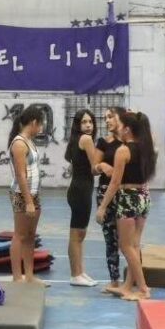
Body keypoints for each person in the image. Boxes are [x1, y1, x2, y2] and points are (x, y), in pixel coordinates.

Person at [96, 110, 157, 301]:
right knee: (134, 245)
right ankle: (128, 286)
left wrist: (102, 207)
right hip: (143, 196)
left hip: (128, 198)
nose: (118, 128)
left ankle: (143, 288)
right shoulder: (146, 147)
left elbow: (115, 182)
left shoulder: (123, 150)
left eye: (121, 125)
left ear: (128, 129)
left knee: (125, 245)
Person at [8, 106, 44, 284]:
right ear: (34, 122)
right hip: (22, 194)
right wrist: (28, 201)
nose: (41, 129)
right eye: (41, 125)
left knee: (30, 235)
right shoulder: (19, 144)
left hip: (34, 193)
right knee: (20, 235)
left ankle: (29, 275)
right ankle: (17, 277)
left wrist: (33, 197)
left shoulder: (30, 141)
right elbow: (21, 175)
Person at [92, 107, 126, 294]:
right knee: (110, 239)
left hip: (125, 193)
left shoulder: (129, 142)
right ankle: (114, 280)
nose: (107, 121)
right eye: (105, 118)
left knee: (128, 240)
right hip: (105, 192)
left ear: (121, 118)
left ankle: (135, 279)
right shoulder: (103, 142)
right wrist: (101, 166)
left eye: (111, 117)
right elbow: (93, 168)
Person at [64, 108, 98, 287]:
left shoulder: (77, 139)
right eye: (84, 122)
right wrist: (111, 165)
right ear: (78, 124)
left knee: (79, 234)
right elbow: (95, 168)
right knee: (77, 235)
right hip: (81, 191)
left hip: (78, 189)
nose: (88, 125)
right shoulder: (86, 139)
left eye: (90, 122)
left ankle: (79, 271)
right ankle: (75, 274)